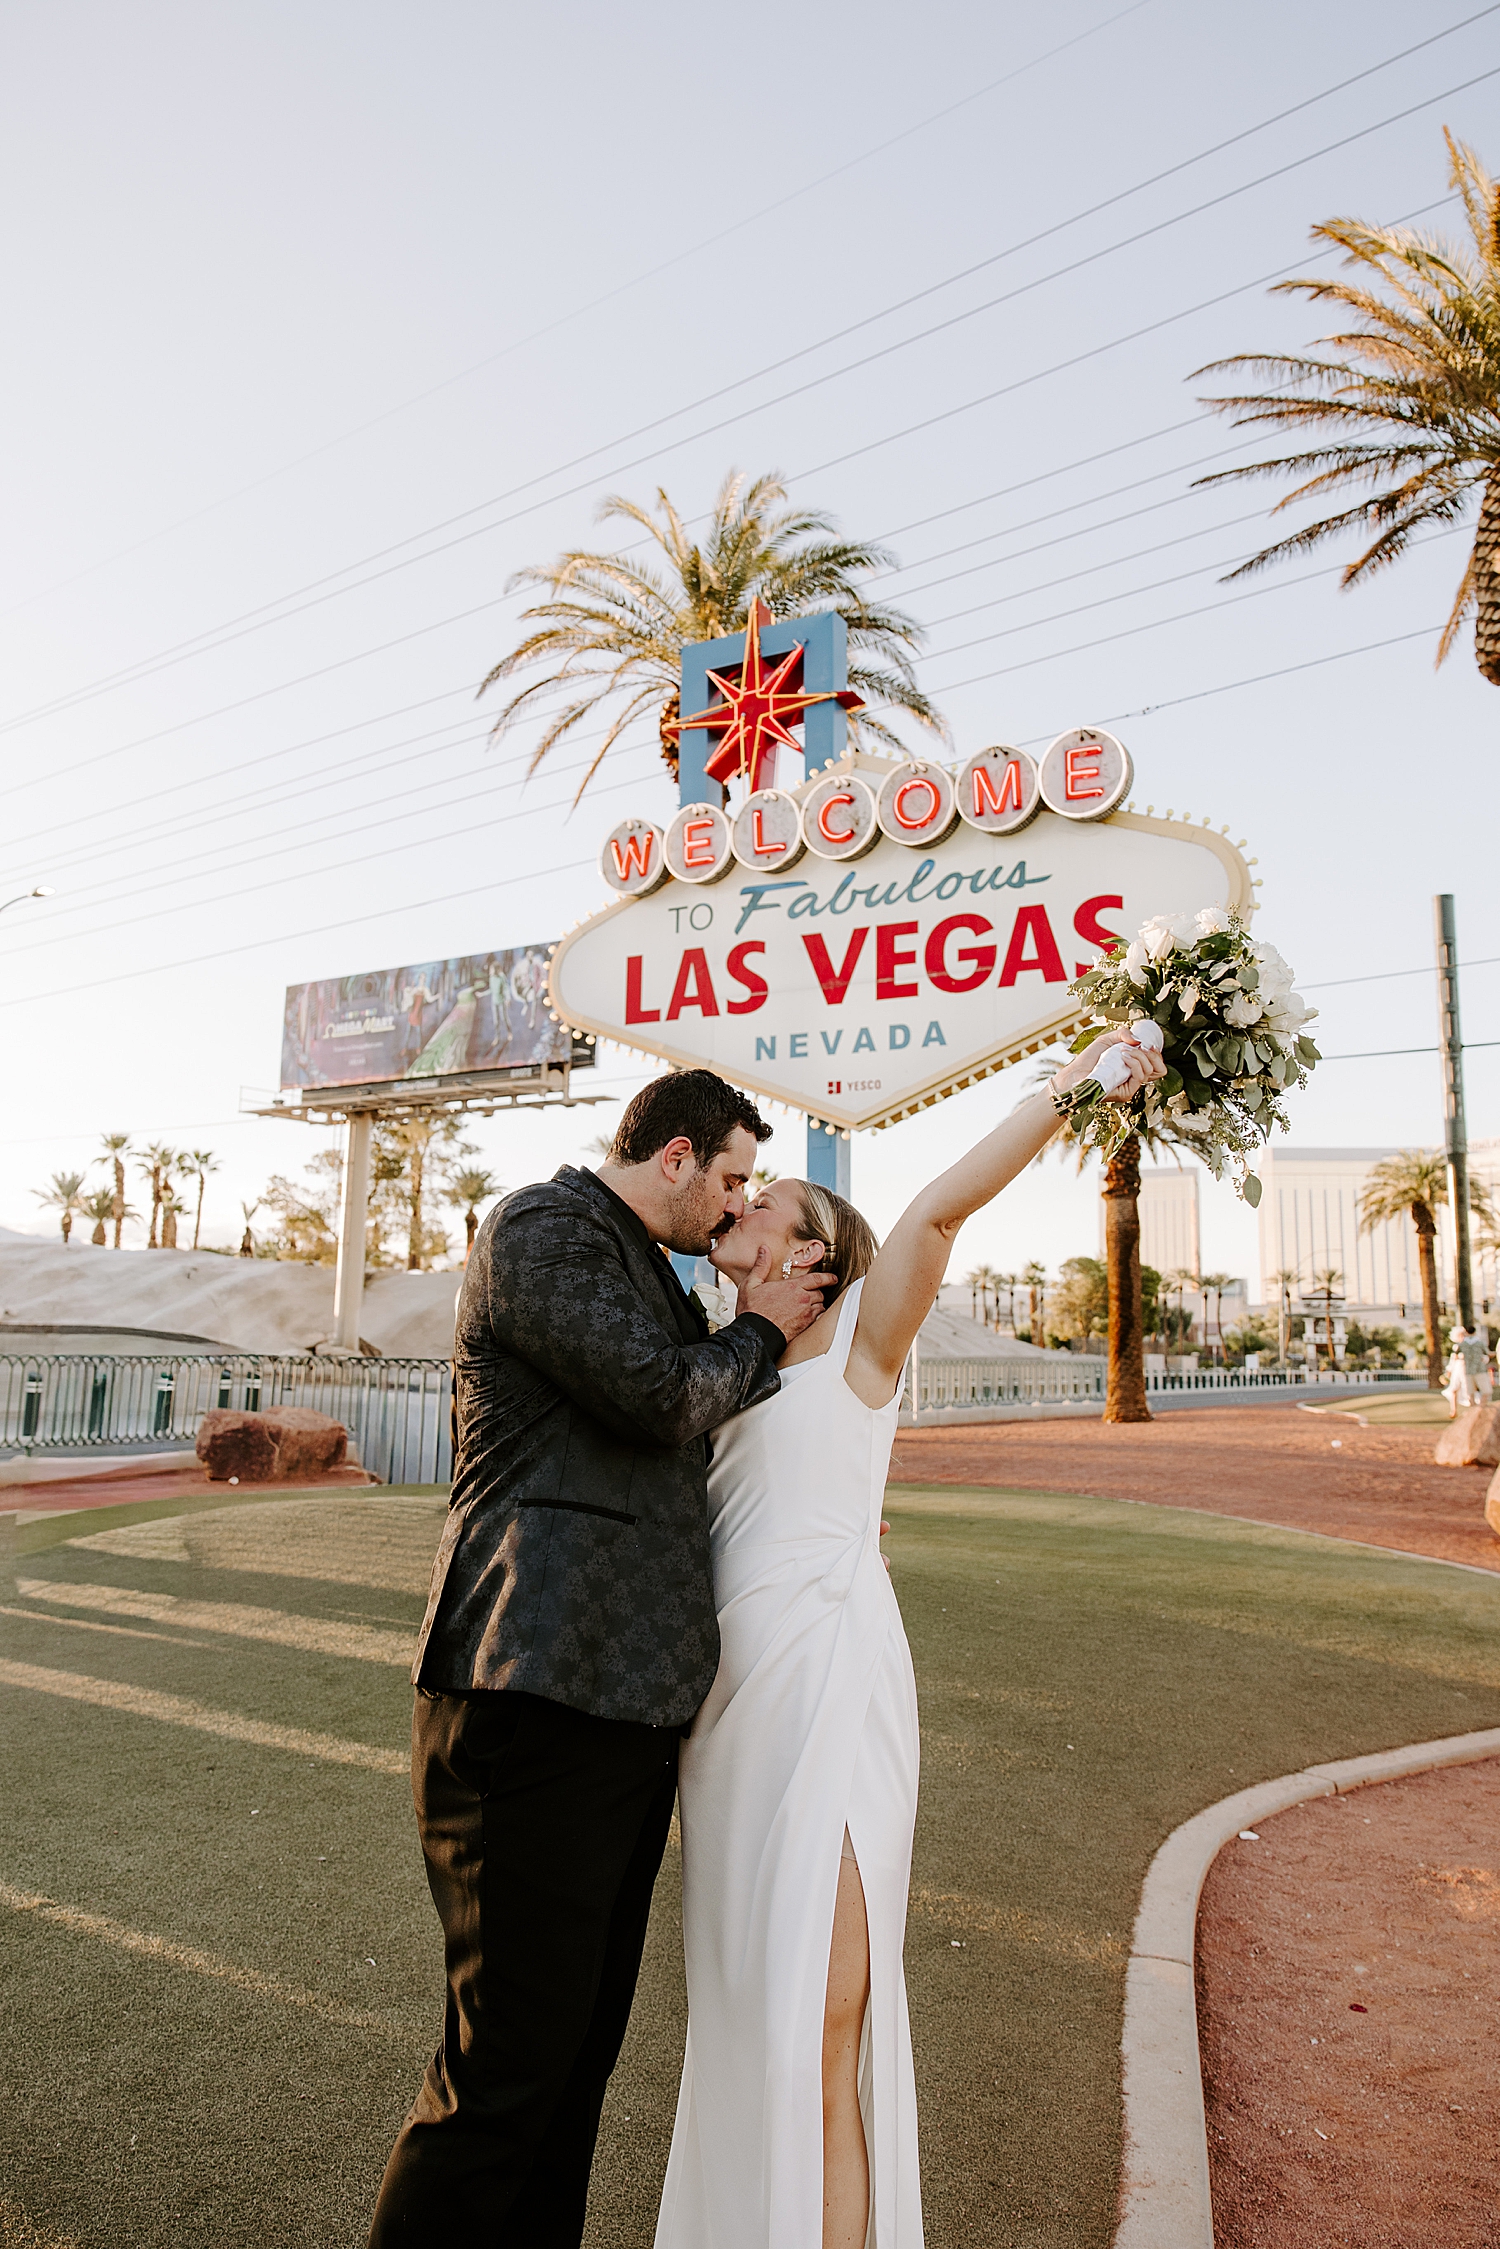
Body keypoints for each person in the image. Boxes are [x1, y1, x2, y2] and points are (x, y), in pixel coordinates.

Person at [653, 1027, 1165, 2249]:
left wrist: (1083, 1079)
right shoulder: (707, 1366)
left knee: (828, 2016)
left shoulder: (862, 1353)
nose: (736, 1199)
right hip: (725, 1723)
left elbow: (938, 1206)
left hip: (832, 1683)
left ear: (814, 1250)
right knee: (743, 2015)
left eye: (760, 1195)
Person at [368, 1070, 836, 2247]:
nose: (733, 1205)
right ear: (674, 1157)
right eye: (730, 1177)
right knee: (506, 2071)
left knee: (572, 2067)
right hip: (530, 1687)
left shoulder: (667, 1282)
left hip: (624, 1719)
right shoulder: (543, 1224)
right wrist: (763, 1327)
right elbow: (655, 1396)